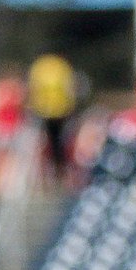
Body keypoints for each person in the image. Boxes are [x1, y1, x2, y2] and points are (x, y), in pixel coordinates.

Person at [26, 49, 78, 179]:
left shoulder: (40, 66)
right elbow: (70, 88)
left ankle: (49, 173)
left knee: (48, 143)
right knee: (58, 144)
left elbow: (33, 88)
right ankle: (57, 172)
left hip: (46, 111)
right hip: (60, 111)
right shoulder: (62, 66)